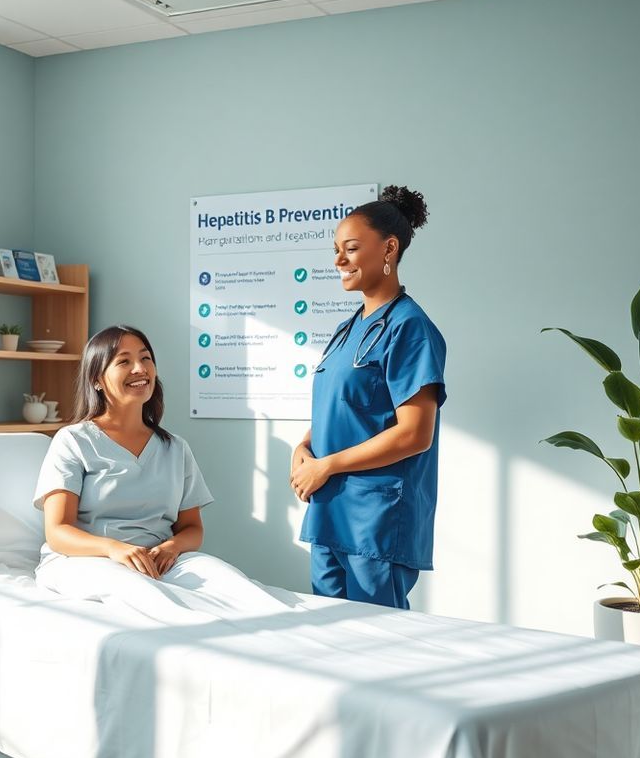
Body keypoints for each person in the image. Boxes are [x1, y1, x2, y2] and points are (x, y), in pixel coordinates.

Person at [35, 325, 287, 624]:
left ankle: (296, 638)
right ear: (97, 380)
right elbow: (58, 531)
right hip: (86, 561)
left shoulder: (175, 448)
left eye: (146, 358)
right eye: (124, 361)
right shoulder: (74, 440)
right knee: (150, 598)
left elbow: (192, 528)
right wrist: (114, 549)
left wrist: (172, 547)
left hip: (159, 560)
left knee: (241, 589)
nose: (140, 369)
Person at [290, 185, 447, 610]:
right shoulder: (348, 328)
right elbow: (342, 407)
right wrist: (303, 447)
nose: (339, 260)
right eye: (336, 249)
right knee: (331, 643)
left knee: (378, 648)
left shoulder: (409, 328)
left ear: (389, 248)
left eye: (351, 248)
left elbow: (415, 434)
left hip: (373, 520)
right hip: (329, 512)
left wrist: (327, 465)